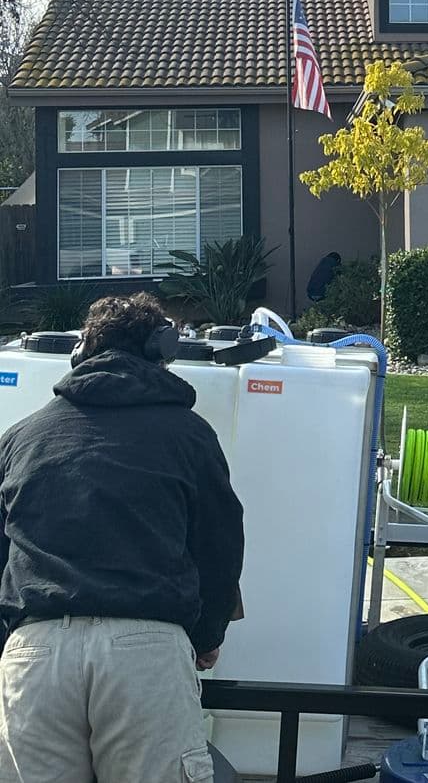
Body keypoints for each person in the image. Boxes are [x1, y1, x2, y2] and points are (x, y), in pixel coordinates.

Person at [0, 292, 245, 783]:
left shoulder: (21, 437)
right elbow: (221, 545)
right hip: (146, 653)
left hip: (34, 655)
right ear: (163, 352)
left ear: (80, 354)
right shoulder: (190, 435)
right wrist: (206, 635)